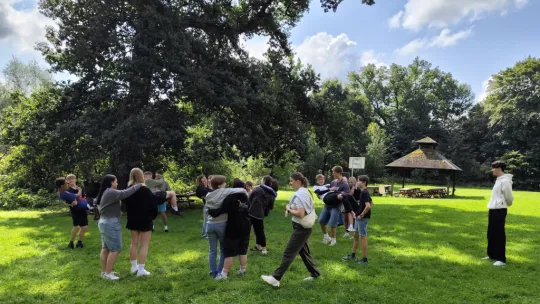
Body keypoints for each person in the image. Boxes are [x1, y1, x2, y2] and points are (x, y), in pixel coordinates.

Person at [261, 172, 320, 288]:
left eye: (291, 181)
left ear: (298, 181)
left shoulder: (300, 194)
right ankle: (315, 274)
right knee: (304, 252)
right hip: (303, 228)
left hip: (301, 228)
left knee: (289, 253)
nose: (290, 183)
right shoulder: (304, 191)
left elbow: (301, 214)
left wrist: (288, 208)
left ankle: (275, 278)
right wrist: (289, 208)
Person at [95, 175, 142, 280]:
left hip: (103, 222)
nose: (117, 184)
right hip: (110, 223)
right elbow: (125, 193)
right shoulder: (111, 192)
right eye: (116, 182)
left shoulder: (105, 192)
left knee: (106, 248)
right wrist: (138, 185)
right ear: (111, 182)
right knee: (115, 249)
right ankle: (108, 273)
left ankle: (104, 272)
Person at [205, 175, 248, 278]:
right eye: (224, 183)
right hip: (221, 224)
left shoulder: (208, 195)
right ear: (220, 185)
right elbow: (240, 190)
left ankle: (213, 271)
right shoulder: (224, 193)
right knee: (224, 249)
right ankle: (221, 272)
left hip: (209, 224)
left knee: (212, 250)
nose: (225, 184)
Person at [124, 168, 159, 276]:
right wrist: (152, 216)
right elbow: (154, 206)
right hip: (145, 219)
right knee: (144, 244)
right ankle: (141, 269)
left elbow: (125, 205)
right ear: (141, 176)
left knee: (134, 243)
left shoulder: (128, 189)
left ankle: (133, 267)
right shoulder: (145, 190)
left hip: (132, 219)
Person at [484, 161, 514, 266]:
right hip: (493, 209)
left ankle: (501, 259)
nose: (492, 170)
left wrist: (504, 204)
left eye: (494, 168)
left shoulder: (505, 181)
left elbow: (509, 197)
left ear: (499, 168)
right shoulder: (498, 180)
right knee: (491, 233)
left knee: (499, 234)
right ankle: (491, 255)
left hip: (500, 210)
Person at [342, 175, 372, 264]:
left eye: (358, 181)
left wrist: (361, 215)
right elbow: (371, 202)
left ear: (364, 182)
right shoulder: (363, 192)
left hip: (362, 218)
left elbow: (368, 206)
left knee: (363, 237)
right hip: (359, 216)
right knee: (355, 236)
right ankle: (353, 255)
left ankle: (364, 259)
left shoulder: (365, 192)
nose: (357, 182)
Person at [318, 166, 350, 246]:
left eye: (334, 172)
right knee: (321, 220)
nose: (333, 174)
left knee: (332, 223)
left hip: (336, 205)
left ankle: (333, 240)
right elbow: (329, 190)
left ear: (339, 172)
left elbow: (347, 193)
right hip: (327, 204)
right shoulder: (333, 182)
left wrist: (341, 194)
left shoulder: (344, 183)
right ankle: (326, 236)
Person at [57, 177, 90, 249]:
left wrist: (85, 204)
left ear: (75, 180)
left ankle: (79, 243)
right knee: (77, 226)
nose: (70, 181)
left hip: (82, 209)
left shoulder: (78, 188)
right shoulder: (67, 190)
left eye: (73, 179)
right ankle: (71, 243)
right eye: (69, 179)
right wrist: (70, 204)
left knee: (84, 227)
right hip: (75, 210)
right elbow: (64, 202)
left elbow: (82, 197)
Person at [248, 176, 278, 255]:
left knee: (246, 231)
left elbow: (249, 199)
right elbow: (271, 207)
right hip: (260, 214)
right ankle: (263, 249)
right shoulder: (272, 194)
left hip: (250, 212)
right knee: (260, 231)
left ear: (263, 181)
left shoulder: (257, 189)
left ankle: (242, 248)